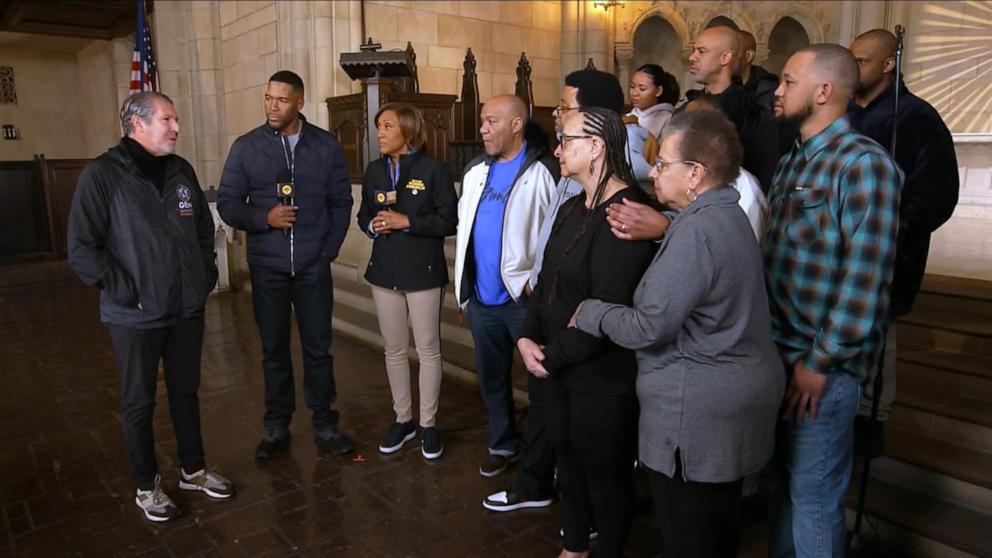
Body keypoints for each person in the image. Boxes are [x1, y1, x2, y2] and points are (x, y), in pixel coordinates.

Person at [573, 109, 784, 558]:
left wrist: (591, 311)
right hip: (730, 399)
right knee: (716, 528)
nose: (653, 171)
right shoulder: (725, 212)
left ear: (695, 174)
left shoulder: (698, 231)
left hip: (697, 412)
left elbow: (649, 326)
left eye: (663, 163)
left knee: (688, 533)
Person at [67, 91, 235, 522]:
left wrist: (204, 277)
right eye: (168, 119)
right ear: (137, 124)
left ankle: (192, 470)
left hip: (185, 309)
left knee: (185, 393)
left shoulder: (181, 171)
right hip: (135, 315)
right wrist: (125, 290)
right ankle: (146, 487)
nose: (177, 127)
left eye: (176, 119)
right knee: (139, 402)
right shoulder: (103, 175)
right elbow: (82, 248)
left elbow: (202, 230)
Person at [765, 44, 901, 558]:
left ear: (823, 91)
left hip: (823, 370)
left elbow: (864, 280)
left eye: (788, 81)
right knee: (788, 490)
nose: (777, 91)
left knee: (815, 501)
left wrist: (818, 363)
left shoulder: (864, 165)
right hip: (781, 355)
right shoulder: (792, 160)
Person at [519, 107, 656, 558]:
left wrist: (550, 356)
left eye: (566, 140)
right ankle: (574, 548)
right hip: (556, 368)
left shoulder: (628, 213)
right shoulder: (574, 204)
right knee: (568, 466)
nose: (557, 150)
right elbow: (546, 280)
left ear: (596, 146)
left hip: (601, 376)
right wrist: (526, 336)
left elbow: (608, 304)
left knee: (605, 474)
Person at [217, 70, 355, 460]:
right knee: (273, 349)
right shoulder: (246, 147)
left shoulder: (326, 146)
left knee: (318, 349)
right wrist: (265, 218)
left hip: (313, 264)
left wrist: (327, 250)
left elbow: (341, 202)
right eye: (268, 98)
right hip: (268, 266)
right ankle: (276, 427)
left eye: (281, 99)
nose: (272, 106)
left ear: (299, 102)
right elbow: (228, 204)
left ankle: (325, 424)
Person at [848, 28, 960, 454]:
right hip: (838, 254)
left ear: (888, 64)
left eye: (862, 60)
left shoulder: (915, 118)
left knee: (878, 337)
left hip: (887, 251)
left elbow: (936, 194)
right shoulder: (843, 112)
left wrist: (894, 228)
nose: (853, 66)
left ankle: (871, 418)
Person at [454, 94, 559, 477]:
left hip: (523, 300)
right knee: (492, 378)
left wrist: (536, 285)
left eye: (491, 121)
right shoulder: (474, 171)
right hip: (482, 300)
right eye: (482, 121)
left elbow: (557, 234)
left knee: (542, 383)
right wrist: (464, 294)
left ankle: (543, 456)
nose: (482, 129)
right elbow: (465, 232)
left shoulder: (544, 171)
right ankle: (502, 444)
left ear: (517, 125)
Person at [356, 103, 457, 459]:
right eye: (378, 126)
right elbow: (364, 213)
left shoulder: (433, 169)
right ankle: (404, 420)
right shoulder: (374, 170)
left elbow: (448, 221)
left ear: (408, 130)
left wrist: (407, 222)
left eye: (387, 126)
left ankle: (428, 425)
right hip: (384, 271)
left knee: (428, 349)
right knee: (394, 349)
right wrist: (373, 224)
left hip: (423, 272)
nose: (379, 133)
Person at [687, 25, 780, 190]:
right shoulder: (690, 106)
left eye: (701, 51)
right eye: (693, 50)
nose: (692, 57)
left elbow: (763, 172)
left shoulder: (752, 114)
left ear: (725, 57)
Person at [627, 63, 677, 139]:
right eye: (632, 87)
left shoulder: (667, 119)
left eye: (642, 89)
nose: (634, 93)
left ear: (658, 91)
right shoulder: (628, 116)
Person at [736, 30, 779, 110]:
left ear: (748, 56)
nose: (725, 58)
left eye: (731, 52)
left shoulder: (769, 90)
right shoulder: (720, 86)